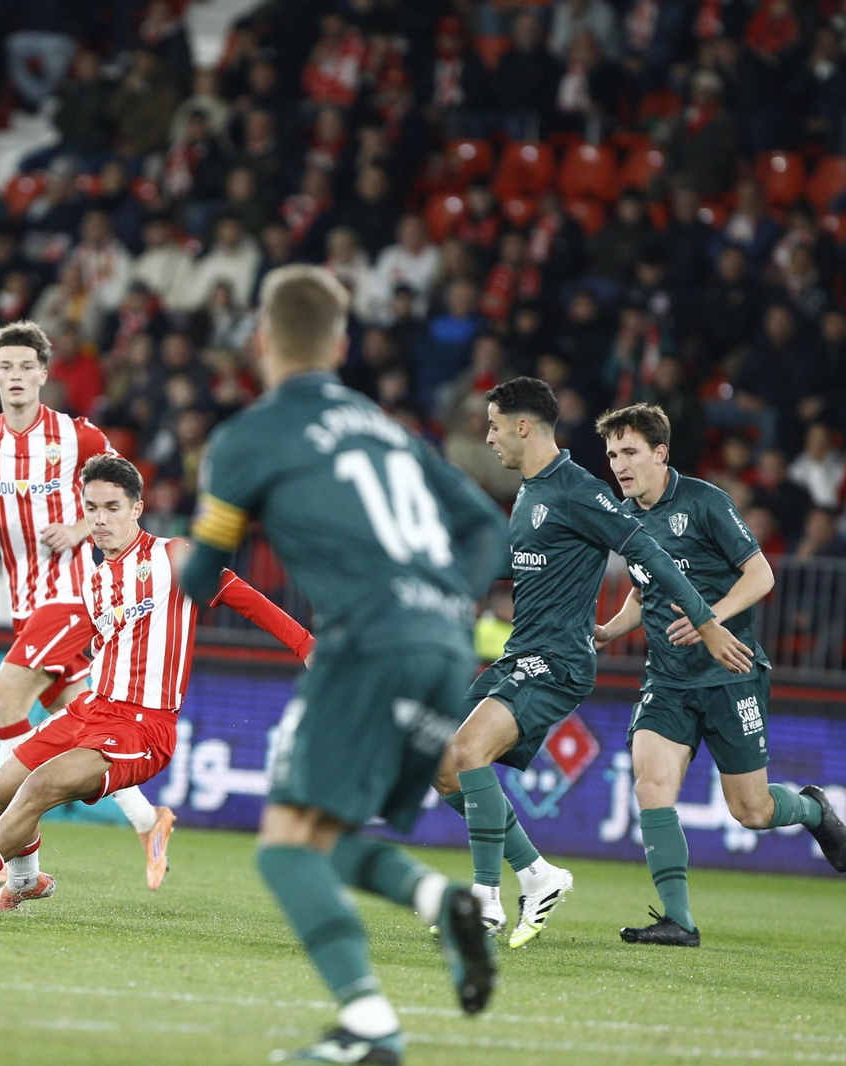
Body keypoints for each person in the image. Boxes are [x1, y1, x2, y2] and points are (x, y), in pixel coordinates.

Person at [178, 266, 508, 1063]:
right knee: (315, 833)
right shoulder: (386, 426)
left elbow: (200, 575)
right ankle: (441, 898)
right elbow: (485, 528)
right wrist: (442, 603)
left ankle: (368, 1024)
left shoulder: (248, 438)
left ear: (261, 342)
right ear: (342, 343)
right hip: (443, 647)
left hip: (367, 644)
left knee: (284, 846)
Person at [0, 453, 313, 913]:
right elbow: (99, 648)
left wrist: (306, 647)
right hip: (91, 708)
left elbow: (244, 599)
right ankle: (25, 881)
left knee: (39, 787)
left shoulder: (172, 556)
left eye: (112, 507)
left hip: (143, 726)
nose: (100, 519)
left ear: (136, 508)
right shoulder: (96, 582)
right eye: (91, 507)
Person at [432, 376, 753, 949]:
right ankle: (537, 874)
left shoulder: (577, 489)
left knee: (467, 750)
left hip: (557, 662)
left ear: (522, 426)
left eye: (493, 425)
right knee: (442, 762)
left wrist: (707, 622)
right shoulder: (528, 493)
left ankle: (483, 905)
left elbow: (648, 551)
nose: (488, 438)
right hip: (520, 655)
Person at [589, 404, 846, 947]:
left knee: (751, 810)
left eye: (630, 452)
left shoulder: (706, 502)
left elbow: (761, 575)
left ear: (661, 454)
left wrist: (710, 619)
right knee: (651, 782)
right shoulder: (624, 516)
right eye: (613, 454)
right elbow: (644, 585)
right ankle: (679, 921)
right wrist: (613, 629)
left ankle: (810, 807)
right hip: (666, 679)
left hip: (730, 674)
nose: (619, 464)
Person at [0, 321, 178, 889]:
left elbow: (119, 490)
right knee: (82, 714)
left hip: (73, 597)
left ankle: (15, 855)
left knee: (4, 702)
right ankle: (149, 821)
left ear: (44, 374)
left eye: (28, 367)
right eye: (8, 367)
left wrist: (77, 525)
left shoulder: (78, 437)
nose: (17, 377)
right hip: (27, 604)